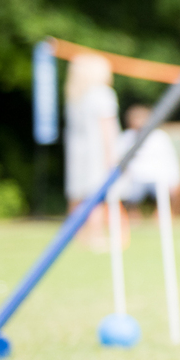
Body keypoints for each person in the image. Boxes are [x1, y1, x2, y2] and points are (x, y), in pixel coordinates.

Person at [64, 53, 124, 249]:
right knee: (97, 194)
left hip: (77, 150)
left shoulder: (75, 95)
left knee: (77, 194)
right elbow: (107, 129)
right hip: (97, 151)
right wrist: (112, 156)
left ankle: (74, 235)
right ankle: (96, 236)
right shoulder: (102, 93)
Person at [116, 105, 180, 210]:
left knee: (165, 194)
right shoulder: (125, 138)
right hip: (133, 179)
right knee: (129, 194)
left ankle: (161, 215)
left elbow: (170, 161)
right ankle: (133, 217)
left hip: (157, 178)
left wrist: (175, 181)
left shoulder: (160, 137)